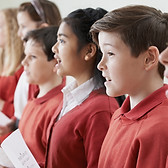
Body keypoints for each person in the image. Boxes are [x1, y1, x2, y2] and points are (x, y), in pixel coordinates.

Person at [90, 5, 168, 168]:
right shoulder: (119, 115)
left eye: (110, 54)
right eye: (101, 54)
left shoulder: (160, 128)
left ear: (149, 58)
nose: (100, 65)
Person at [45, 8, 121, 168]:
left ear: (89, 50)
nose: (54, 48)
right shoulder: (71, 96)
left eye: (62, 41)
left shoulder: (100, 110)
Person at [0, 0, 62, 138]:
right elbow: (24, 115)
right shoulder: (32, 74)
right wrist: (14, 124)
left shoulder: (39, 75)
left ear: (42, 28)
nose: (18, 33)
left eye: (23, 26)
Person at [18, 26, 65, 168]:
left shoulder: (59, 107)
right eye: (25, 55)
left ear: (55, 61)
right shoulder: (32, 101)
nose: (23, 62)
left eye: (32, 57)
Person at [0, 8, 24, 118]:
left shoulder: (24, 67)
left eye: (0, 26)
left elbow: (24, 111)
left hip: (10, 132)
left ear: (13, 30)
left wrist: (2, 104)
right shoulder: (3, 61)